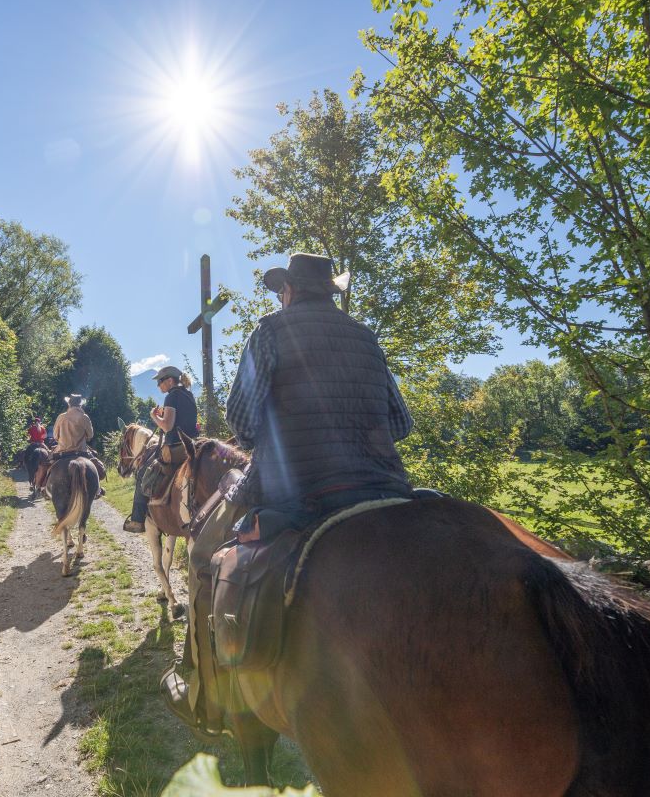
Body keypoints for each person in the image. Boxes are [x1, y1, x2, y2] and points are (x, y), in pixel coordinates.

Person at [163, 252, 414, 734]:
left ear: (290, 291)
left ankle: (204, 696)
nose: (281, 297)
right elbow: (401, 424)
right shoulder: (365, 336)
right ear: (331, 293)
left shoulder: (271, 332)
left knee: (200, 557)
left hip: (296, 489)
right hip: (382, 485)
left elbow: (242, 422)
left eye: (282, 291)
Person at [123, 365, 199, 533]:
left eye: (160, 381)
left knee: (143, 473)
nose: (158, 386)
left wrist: (154, 416)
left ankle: (137, 521)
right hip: (192, 445)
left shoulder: (172, 396)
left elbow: (167, 426)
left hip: (176, 448)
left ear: (170, 380)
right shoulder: (189, 395)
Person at [51, 394, 105, 496]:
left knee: (48, 465)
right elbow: (90, 435)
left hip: (62, 451)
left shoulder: (61, 417)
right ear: (80, 405)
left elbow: (55, 436)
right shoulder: (84, 417)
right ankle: (97, 489)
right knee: (96, 465)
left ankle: (45, 487)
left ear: (69, 404)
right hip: (81, 451)